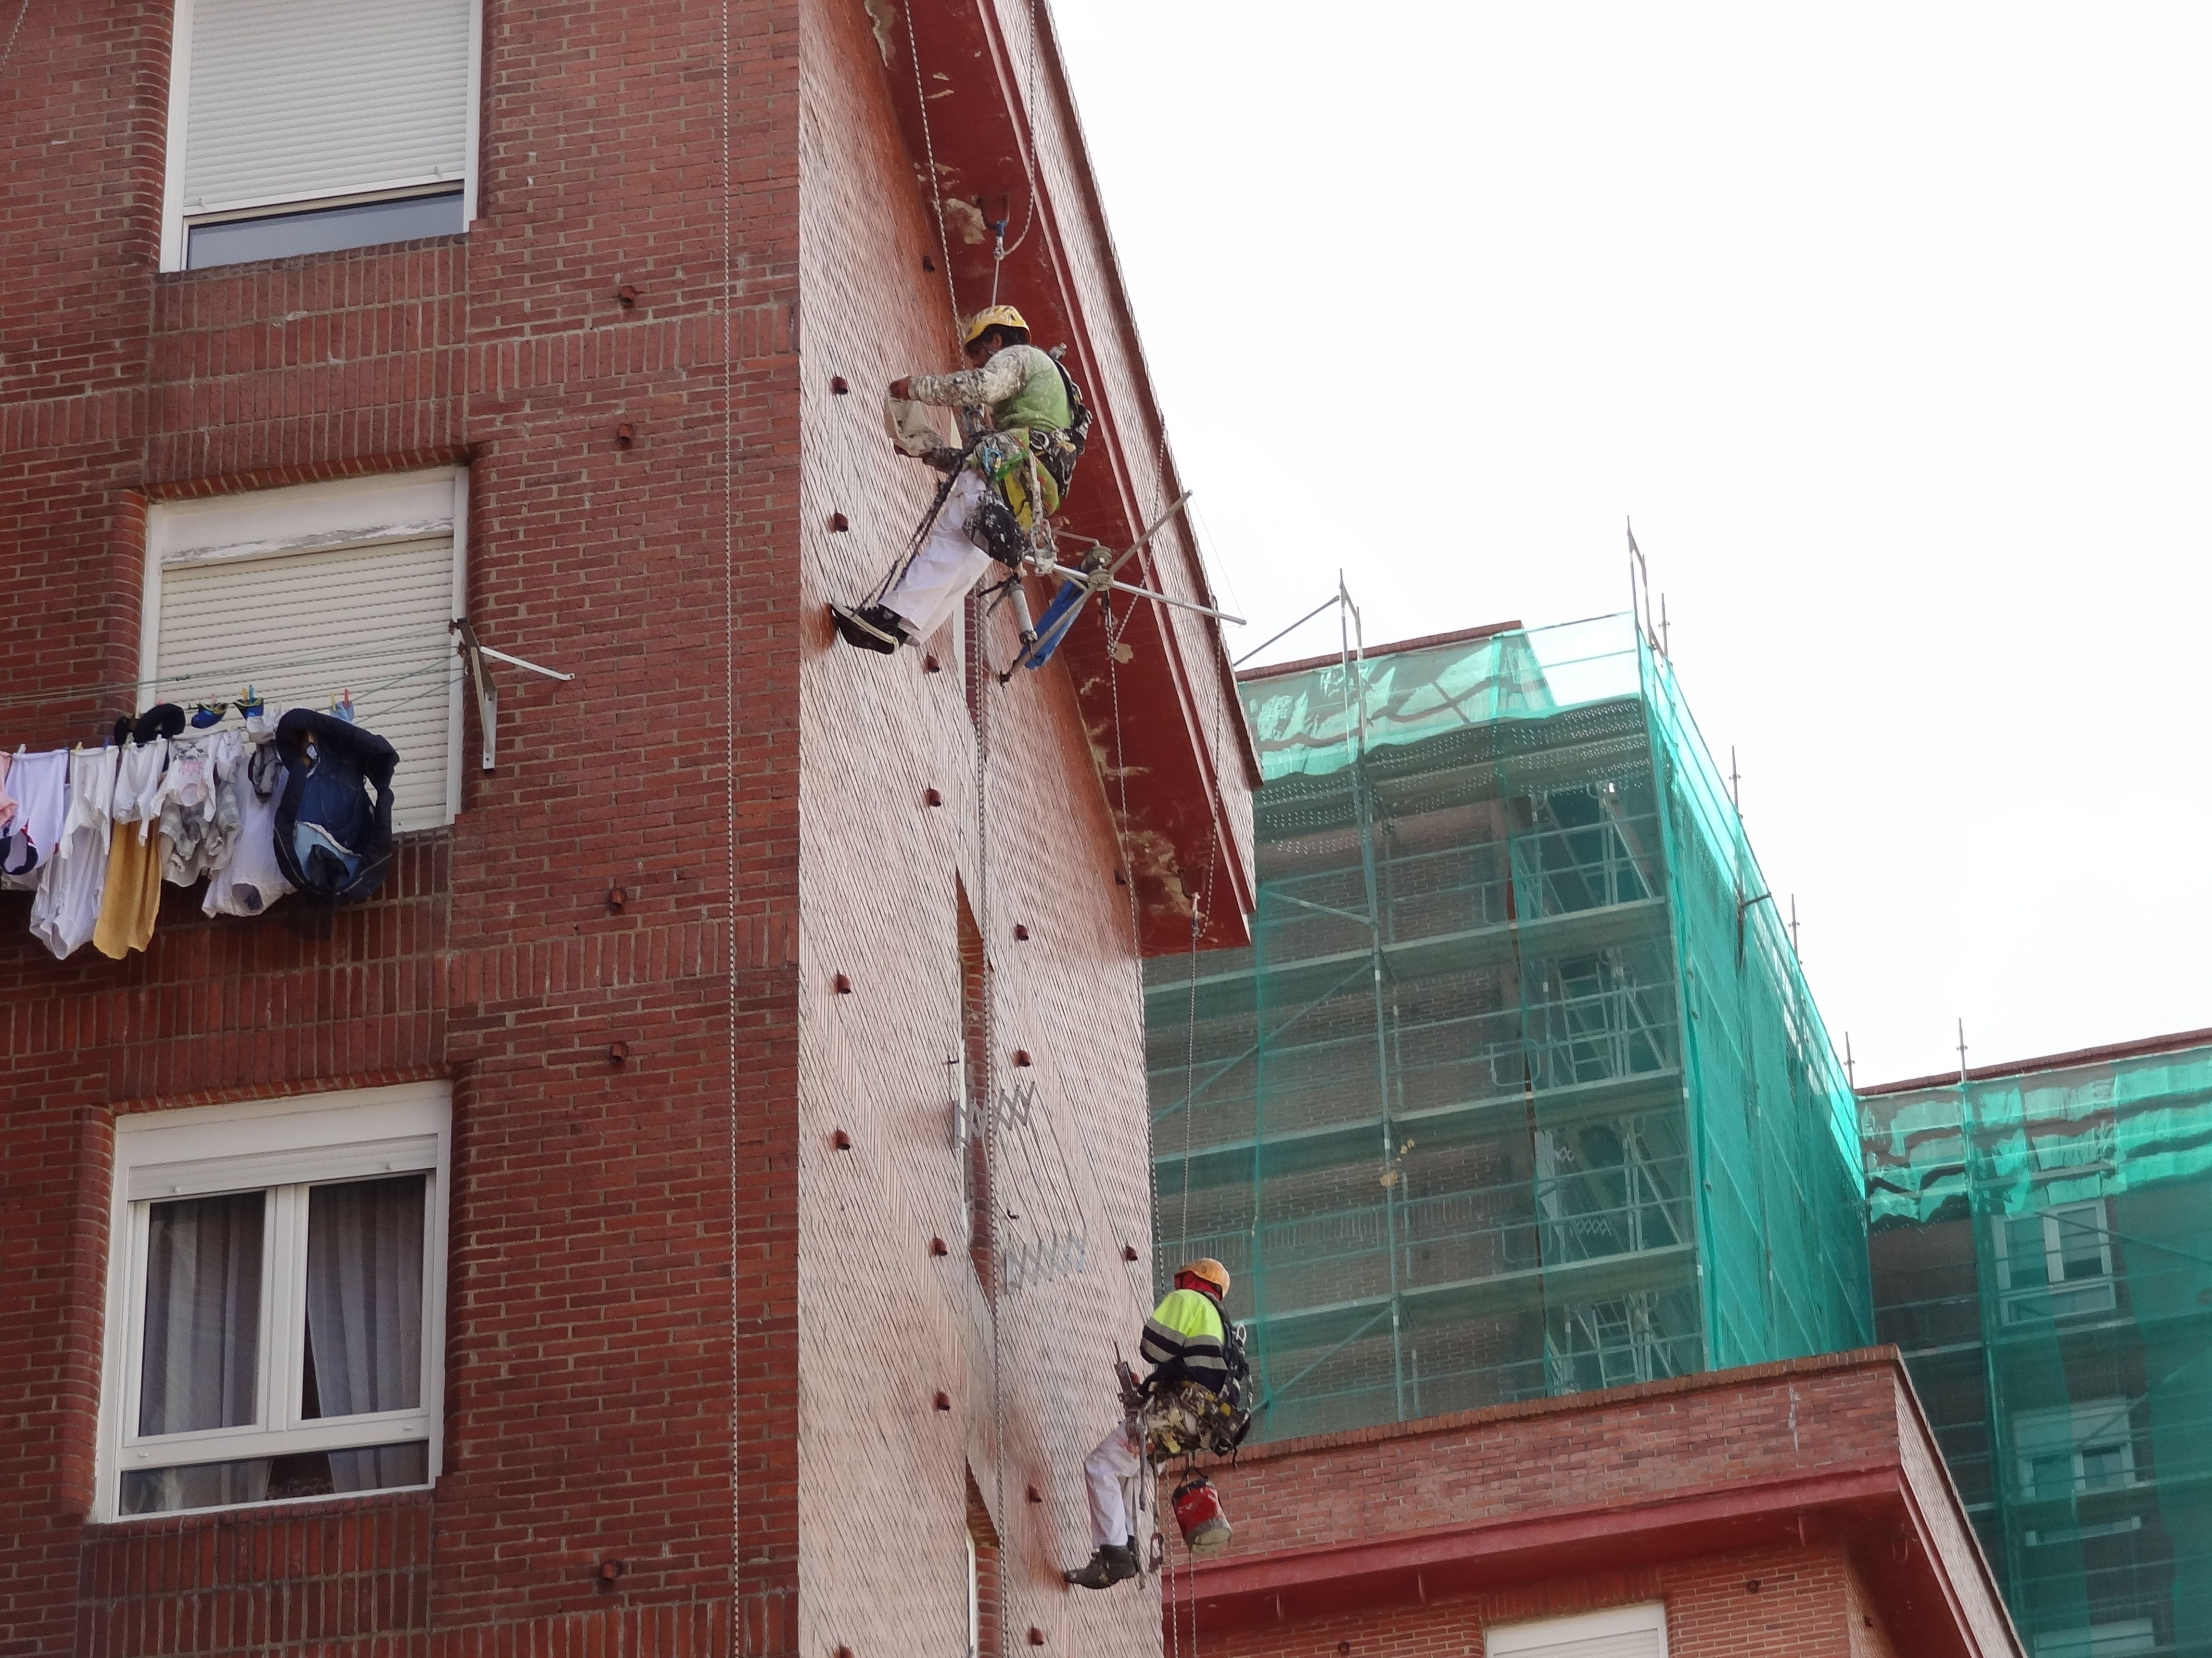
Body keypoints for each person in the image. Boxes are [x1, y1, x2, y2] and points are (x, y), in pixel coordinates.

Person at [832, 305, 1085, 653]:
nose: (978, 364)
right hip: (1032, 490)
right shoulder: (1048, 395)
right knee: (971, 550)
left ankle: (892, 617)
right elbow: (976, 457)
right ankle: (906, 626)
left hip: (1012, 464)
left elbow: (981, 387)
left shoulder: (1021, 357)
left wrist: (916, 389)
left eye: (979, 354)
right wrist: (931, 452)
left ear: (997, 340)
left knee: (952, 532)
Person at [1064, 1257, 1234, 1590]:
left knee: (1100, 1466)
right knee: (1131, 1471)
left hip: (1180, 1412)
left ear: (1190, 1279)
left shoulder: (1189, 1299)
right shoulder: (1223, 1324)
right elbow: (1192, 1368)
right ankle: (1126, 1547)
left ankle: (1114, 1556)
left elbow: (1153, 1347)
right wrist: (1151, 1388)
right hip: (1199, 1424)